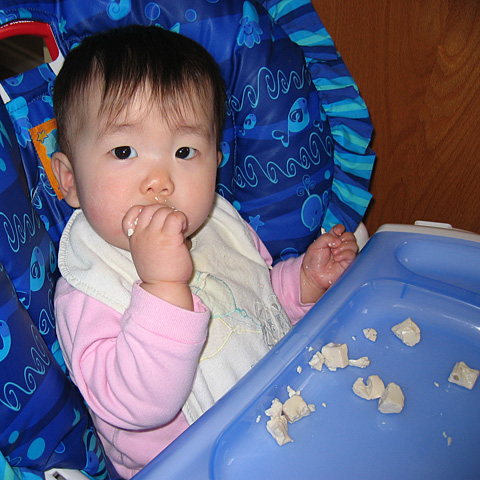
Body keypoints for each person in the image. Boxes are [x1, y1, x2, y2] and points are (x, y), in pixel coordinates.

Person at [51, 25, 357, 478]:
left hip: (281, 416)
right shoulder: (88, 287)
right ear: (70, 178)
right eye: (123, 149)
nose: (160, 180)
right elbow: (135, 407)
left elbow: (251, 304)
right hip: (194, 464)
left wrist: (304, 282)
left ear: (216, 160)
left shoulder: (218, 227)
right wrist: (162, 287)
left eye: (184, 150)